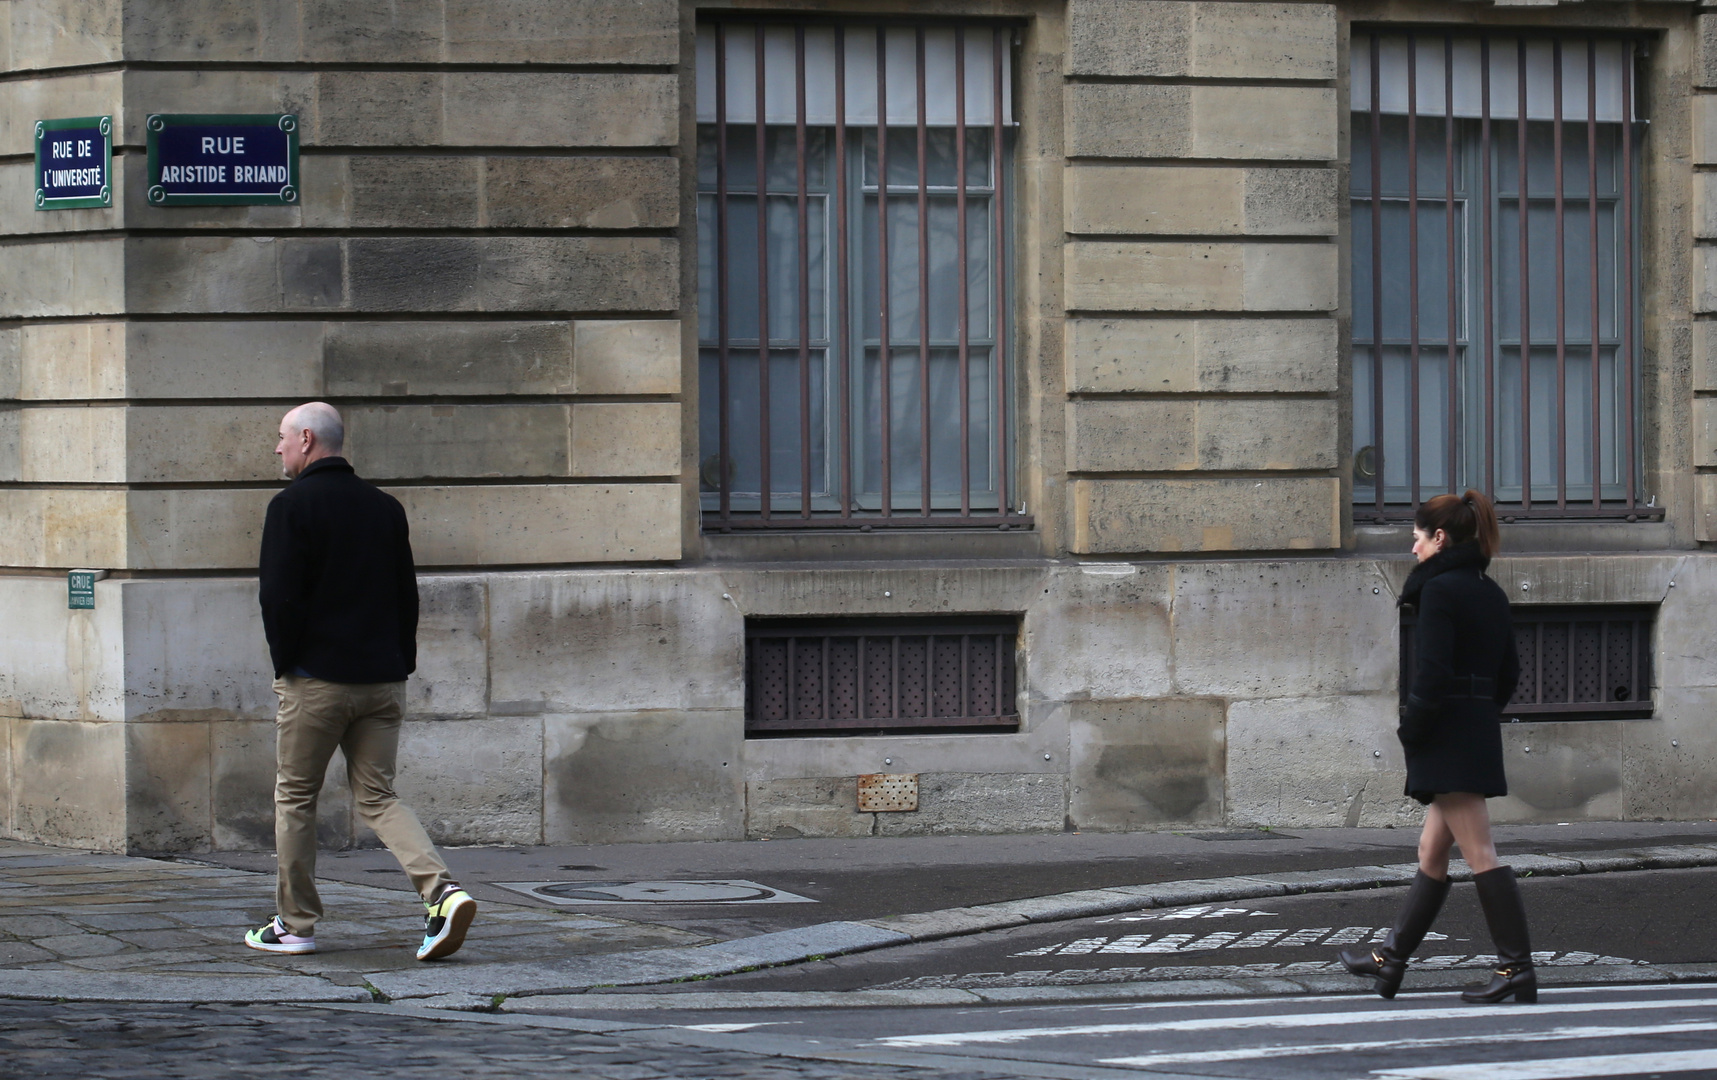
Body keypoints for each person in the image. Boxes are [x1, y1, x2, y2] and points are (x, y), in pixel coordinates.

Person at [247, 401, 477, 961]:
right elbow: (407, 594)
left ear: (306, 440)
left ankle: (295, 925)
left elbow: (278, 599)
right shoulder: (384, 508)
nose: (275, 448)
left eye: (280, 438)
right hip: (382, 679)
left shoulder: (289, 507)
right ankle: (441, 892)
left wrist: (287, 664)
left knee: (296, 798)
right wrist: (400, 661)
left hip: (316, 681)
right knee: (378, 796)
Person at [1338, 490, 1535, 1005]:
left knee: (1480, 852)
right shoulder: (1488, 591)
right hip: (1470, 727)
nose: (1413, 548)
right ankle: (1389, 961)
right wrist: (1476, 715)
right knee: (1431, 850)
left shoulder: (1440, 591)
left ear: (1440, 538)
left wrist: (1414, 730)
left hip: (1446, 731)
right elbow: (1510, 673)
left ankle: (1516, 968)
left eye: (1418, 537)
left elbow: (1431, 672)